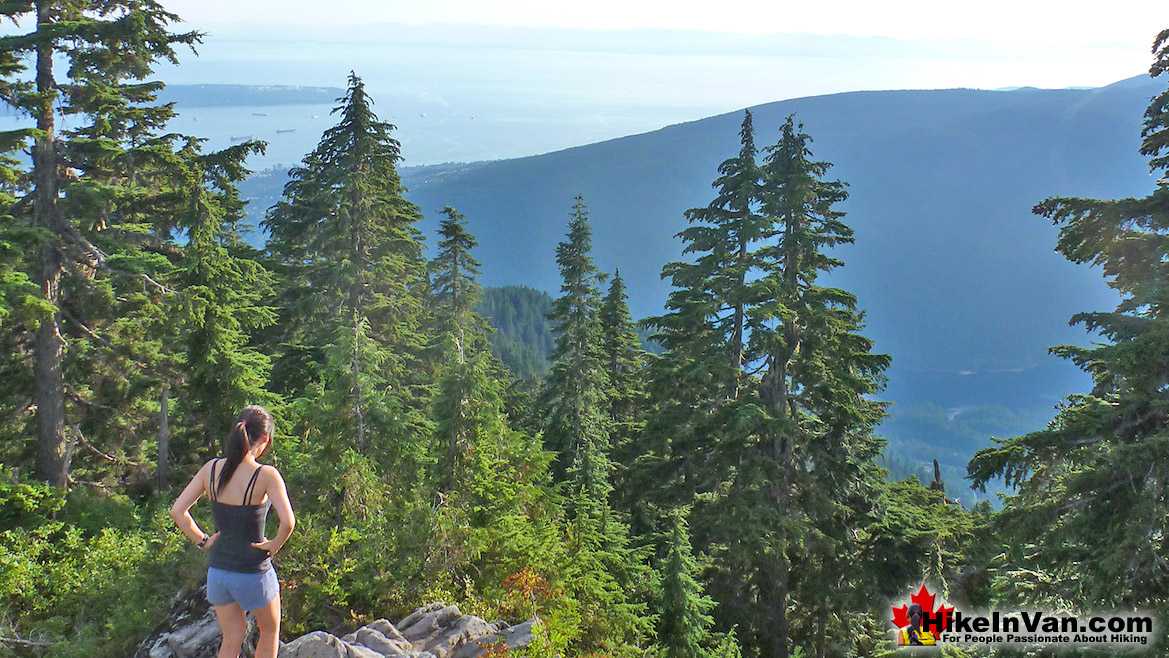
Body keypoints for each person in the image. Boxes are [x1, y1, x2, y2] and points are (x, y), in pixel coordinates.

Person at [169, 405, 295, 658]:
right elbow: (288, 522)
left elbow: (177, 512)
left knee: (232, 638)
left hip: (218, 572)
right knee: (269, 631)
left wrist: (203, 540)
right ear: (265, 440)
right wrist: (274, 545)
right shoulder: (266, 475)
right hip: (252, 572)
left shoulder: (212, 469)